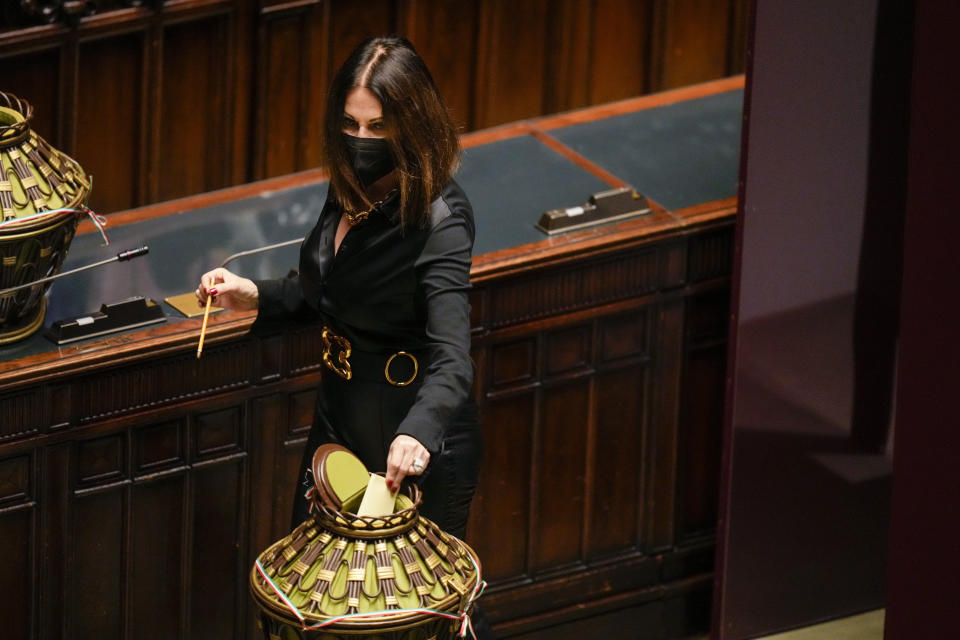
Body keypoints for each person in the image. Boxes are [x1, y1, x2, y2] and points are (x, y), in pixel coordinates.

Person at [196, 35, 488, 614]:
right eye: (350, 125)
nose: (361, 141)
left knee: (400, 618)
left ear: (415, 124)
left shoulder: (440, 220)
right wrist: (252, 294)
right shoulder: (349, 189)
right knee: (310, 600)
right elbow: (329, 293)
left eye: (378, 128)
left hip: (411, 441)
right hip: (338, 423)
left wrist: (418, 433)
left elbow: (454, 356)